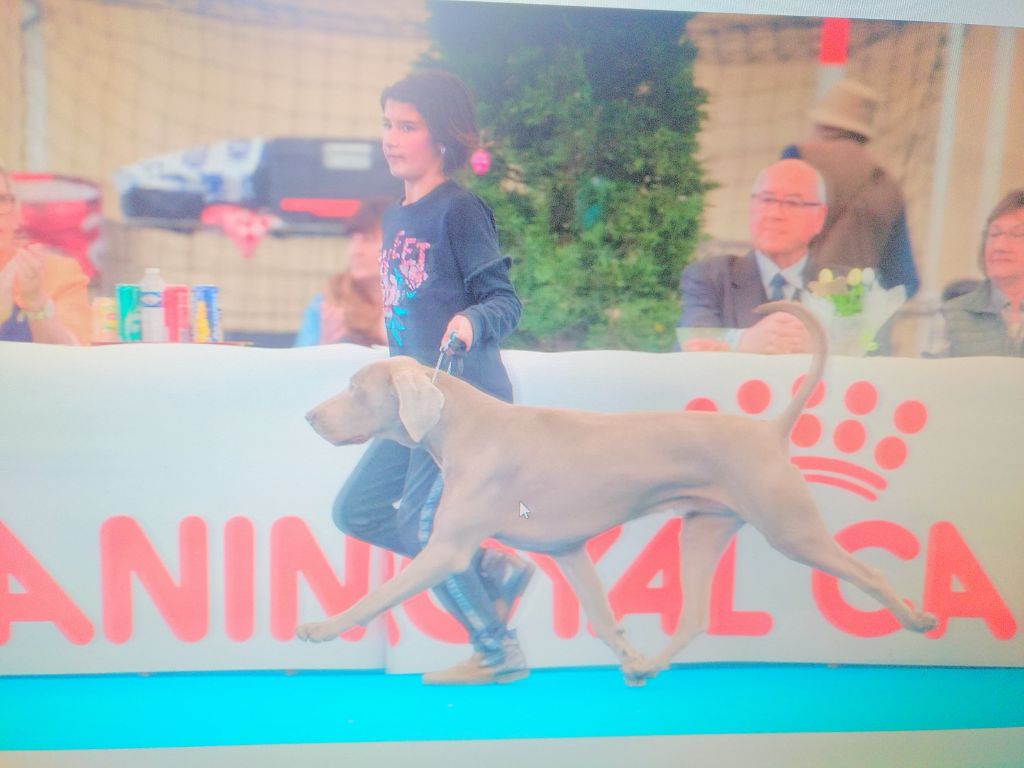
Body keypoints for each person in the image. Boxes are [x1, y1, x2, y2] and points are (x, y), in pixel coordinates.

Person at [330, 69, 533, 684]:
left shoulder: (460, 209)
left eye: (407, 127)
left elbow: (504, 302)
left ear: (440, 137)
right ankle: (491, 571)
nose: (392, 138)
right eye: (388, 124)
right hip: (408, 406)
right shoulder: (396, 218)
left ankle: (496, 651)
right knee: (357, 511)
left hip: (460, 406)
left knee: (425, 526)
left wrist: (471, 321)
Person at [781, 78, 919, 298]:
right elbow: (904, 279)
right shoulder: (887, 185)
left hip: (793, 302)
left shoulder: (797, 158)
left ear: (820, 123)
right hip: (849, 310)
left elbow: (776, 234)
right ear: (863, 132)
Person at [676, 158, 825, 354]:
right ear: (751, 206)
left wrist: (824, 346)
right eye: (767, 199)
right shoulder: (709, 276)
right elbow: (693, 340)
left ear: (819, 218)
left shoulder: (846, 287)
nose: (774, 214)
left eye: (792, 203)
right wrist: (742, 341)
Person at [0, 165, 90, 345]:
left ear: (17, 213)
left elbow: (71, 359)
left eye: (1, 200)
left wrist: (36, 302)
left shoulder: (58, 273)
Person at [933, 189, 1024, 357]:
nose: (1000, 246)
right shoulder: (954, 313)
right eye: (994, 234)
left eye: (1017, 234)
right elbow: (931, 376)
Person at [294, 200, 389, 347]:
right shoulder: (327, 303)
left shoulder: (419, 304)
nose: (355, 251)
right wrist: (325, 343)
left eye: (368, 240)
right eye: (353, 240)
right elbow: (301, 366)